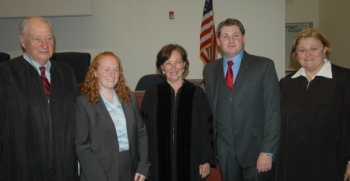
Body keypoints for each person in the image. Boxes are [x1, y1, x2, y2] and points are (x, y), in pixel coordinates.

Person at [0, 16, 79, 180]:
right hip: (22, 167)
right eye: (37, 39)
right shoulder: (6, 74)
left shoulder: (66, 72)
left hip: (63, 167)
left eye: (49, 38)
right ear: (22, 41)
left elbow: (77, 119)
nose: (45, 44)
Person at [203, 18, 281, 181]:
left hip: (257, 152)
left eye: (235, 35)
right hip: (225, 153)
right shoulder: (210, 69)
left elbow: (273, 111)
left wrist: (268, 151)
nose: (231, 40)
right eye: (225, 36)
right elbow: (209, 112)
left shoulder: (264, 65)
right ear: (218, 41)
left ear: (243, 38)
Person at [277, 28, 350, 181]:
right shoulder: (285, 84)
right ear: (295, 55)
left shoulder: (344, 80)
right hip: (291, 164)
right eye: (302, 50)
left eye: (314, 48)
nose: (308, 54)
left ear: (325, 49)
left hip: (330, 164)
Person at [140, 44, 216, 181]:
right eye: (168, 63)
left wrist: (205, 160)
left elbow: (205, 128)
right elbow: (144, 131)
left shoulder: (196, 94)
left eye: (178, 62)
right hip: (158, 161)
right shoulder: (153, 94)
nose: (173, 68)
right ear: (162, 67)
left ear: (184, 65)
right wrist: (144, 162)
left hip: (192, 161)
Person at [75, 51, 150, 181]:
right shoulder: (83, 103)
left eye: (116, 70)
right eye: (107, 69)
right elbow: (82, 146)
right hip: (98, 172)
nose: (112, 74)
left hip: (131, 169)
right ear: (95, 72)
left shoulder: (129, 99)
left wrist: (143, 166)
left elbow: (141, 134)